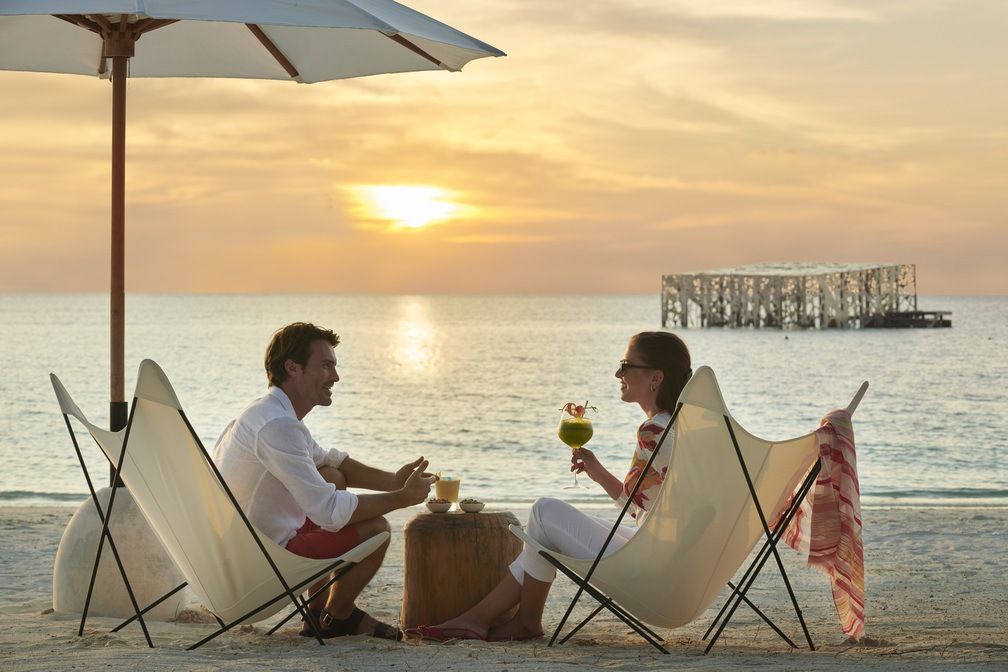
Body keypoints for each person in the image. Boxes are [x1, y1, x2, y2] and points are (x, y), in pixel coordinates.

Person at [406, 331, 691, 642]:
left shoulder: (654, 431)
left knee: (544, 511)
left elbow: (645, 510)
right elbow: (649, 506)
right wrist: (599, 473)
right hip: (675, 564)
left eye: (626, 365)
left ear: (656, 378)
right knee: (543, 531)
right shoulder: (679, 427)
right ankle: (481, 620)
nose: (618, 374)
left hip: (654, 572)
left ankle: (516, 622)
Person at [213, 322, 435, 640]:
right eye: (326, 366)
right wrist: (401, 499)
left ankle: (316, 613)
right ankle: (338, 616)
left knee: (331, 475)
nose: (335, 377)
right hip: (259, 565)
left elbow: (328, 460)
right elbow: (328, 511)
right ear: (293, 368)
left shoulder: (269, 413)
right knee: (378, 529)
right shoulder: (277, 425)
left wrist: (393, 482)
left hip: (244, 548)